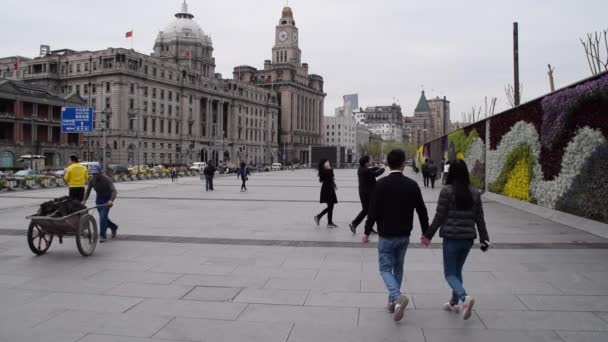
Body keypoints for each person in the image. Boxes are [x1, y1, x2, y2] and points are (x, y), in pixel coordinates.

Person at [363, 149, 429, 322]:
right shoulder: (411, 185)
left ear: (387, 164)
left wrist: (366, 231)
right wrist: (426, 233)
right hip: (404, 235)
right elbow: (422, 211)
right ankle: (394, 303)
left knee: (385, 269)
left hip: (386, 235)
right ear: (403, 164)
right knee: (398, 268)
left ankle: (396, 296)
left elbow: (373, 211)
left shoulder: (381, 184)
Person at [421, 159, 490, 320]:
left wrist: (428, 236)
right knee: (457, 270)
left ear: (450, 172)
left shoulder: (446, 191)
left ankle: (464, 297)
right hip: (467, 240)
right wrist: (484, 239)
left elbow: (439, 216)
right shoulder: (474, 192)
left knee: (449, 273)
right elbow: (480, 218)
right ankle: (454, 302)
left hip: (451, 239)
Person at [349, 156, 385, 234]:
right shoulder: (365, 171)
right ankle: (355, 224)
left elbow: (370, 170)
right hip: (368, 194)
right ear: (366, 163)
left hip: (364, 193)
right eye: (369, 161)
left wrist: (376, 167)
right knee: (368, 210)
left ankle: (366, 227)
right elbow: (376, 174)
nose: (370, 162)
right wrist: (383, 168)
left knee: (368, 210)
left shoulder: (361, 169)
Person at [83, 165, 118, 243]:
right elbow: (88, 191)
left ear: (100, 173)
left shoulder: (107, 179)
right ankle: (114, 227)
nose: (94, 175)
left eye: (96, 173)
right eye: (93, 174)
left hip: (107, 199)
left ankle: (103, 236)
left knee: (102, 217)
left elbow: (114, 191)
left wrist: (111, 200)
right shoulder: (92, 180)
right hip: (99, 199)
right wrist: (84, 200)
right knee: (104, 218)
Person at [314, 159, 338, 228]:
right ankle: (320, 217)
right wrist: (330, 169)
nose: (328, 163)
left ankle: (328, 222)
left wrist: (334, 185)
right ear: (323, 164)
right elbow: (330, 175)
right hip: (327, 189)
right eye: (327, 162)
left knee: (331, 206)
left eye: (328, 162)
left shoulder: (327, 170)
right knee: (330, 206)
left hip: (330, 188)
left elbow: (331, 178)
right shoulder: (324, 171)